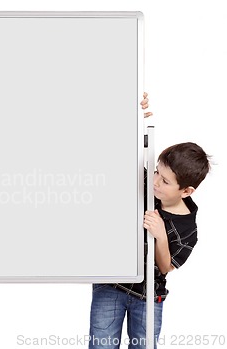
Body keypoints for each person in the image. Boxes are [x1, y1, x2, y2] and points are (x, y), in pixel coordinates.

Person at [88, 93, 211, 349]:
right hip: (112, 283)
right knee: (101, 345)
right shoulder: (146, 187)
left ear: (186, 191)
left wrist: (161, 235)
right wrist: (129, 115)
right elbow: (116, 149)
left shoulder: (188, 227)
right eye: (157, 171)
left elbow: (165, 267)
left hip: (148, 296)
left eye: (165, 181)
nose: (155, 181)